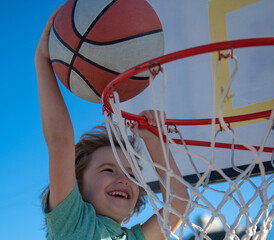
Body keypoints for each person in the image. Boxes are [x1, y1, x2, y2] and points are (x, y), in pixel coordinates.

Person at [35, 7, 188, 240]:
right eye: (108, 169)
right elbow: (60, 140)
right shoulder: (73, 224)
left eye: (131, 174)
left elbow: (179, 204)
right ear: (77, 185)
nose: (124, 179)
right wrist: (42, 61)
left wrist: (154, 142)